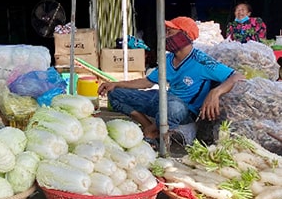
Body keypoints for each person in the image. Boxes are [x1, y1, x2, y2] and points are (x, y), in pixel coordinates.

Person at [98, 16, 245, 147]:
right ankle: (150, 127)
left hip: (184, 110)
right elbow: (148, 82)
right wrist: (116, 84)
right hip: (165, 99)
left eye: (170, 32)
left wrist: (215, 92)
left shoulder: (202, 61)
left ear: (185, 36)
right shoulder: (168, 59)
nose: (166, 36)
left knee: (174, 108)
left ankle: (153, 133)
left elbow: (237, 76)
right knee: (115, 94)